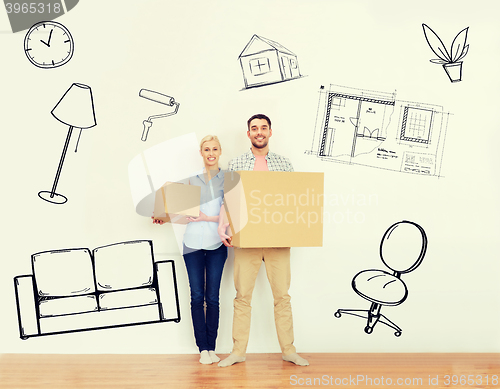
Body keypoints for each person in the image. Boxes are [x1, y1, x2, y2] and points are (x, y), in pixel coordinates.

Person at [217, 114, 309, 367]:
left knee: (282, 296)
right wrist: (223, 225)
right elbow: (229, 197)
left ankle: (289, 350)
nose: (259, 132)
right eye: (254, 128)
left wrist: (299, 228)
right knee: (242, 295)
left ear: (270, 132)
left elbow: (294, 199)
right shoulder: (236, 162)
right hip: (246, 238)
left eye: (263, 128)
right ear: (248, 134)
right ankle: (238, 352)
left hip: (278, 239)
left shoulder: (284, 164)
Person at [152, 135, 227, 365]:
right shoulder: (190, 181)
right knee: (196, 296)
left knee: (212, 298)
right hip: (192, 244)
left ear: (220, 152)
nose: (210, 153)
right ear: (201, 153)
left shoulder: (229, 179)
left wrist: (208, 217)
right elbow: (179, 208)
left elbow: (231, 212)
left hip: (217, 244)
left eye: (214, 149)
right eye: (206, 149)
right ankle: (202, 348)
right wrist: (163, 217)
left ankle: (212, 347)